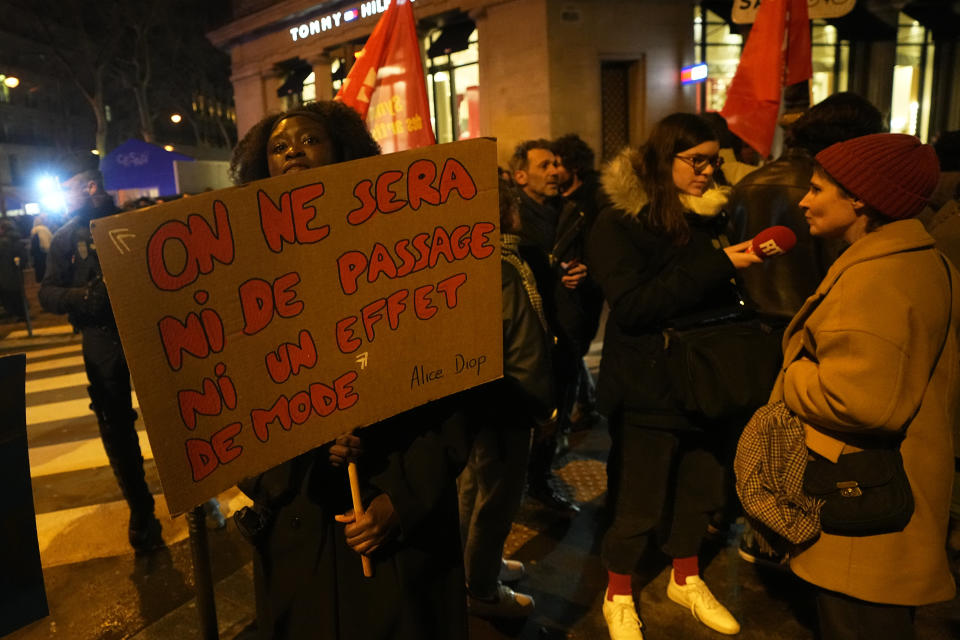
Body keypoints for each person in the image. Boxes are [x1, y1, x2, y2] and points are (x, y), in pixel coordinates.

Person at [229, 100, 472, 640]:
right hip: (302, 524)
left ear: (344, 151)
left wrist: (402, 502)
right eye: (278, 146)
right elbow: (234, 415)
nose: (293, 150)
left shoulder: (401, 250)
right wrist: (303, 448)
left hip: (391, 520)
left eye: (309, 140)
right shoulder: (243, 276)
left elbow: (451, 400)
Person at [772, 133, 958, 639]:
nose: (804, 200)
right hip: (887, 497)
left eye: (817, 189)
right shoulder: (920, 257)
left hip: (864, 512)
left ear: (859, 197)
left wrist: (794, 374)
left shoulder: (879, 276)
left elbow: (860, 403)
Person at [588, 113, 762, 639]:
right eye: (697, 160)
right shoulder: (619, 222)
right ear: (665, 161)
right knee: (637, 502)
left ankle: (684, 578)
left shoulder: (715, 216)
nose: (709, 171)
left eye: (715, 161)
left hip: (711, 382)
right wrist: (719, 264)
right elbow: (635, 306)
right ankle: (618, 592)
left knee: (701, 489)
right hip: (648, 386)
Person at [38, 164, 165, 553]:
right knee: (115, 427)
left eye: (70, 187)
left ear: (90, 185)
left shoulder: (131, 222)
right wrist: (82, 298)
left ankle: (193, 494)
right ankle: (141, 511)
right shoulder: (64, 238)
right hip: (101, 338)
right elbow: (47, 293)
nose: (66, 196)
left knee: (173, 416)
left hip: (147, 332)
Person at [458, 178, 554, 619]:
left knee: (470, 491)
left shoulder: (464, 260)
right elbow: (526, 346)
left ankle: (473, 569)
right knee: (495, 501)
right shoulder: (505, 265)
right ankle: (481, 589)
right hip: (507, 406)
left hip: (473, 405)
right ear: (507, 213)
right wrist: (541, 409)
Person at [726, 92, 885, 321]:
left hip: (751, 321)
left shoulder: (746, 184)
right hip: (814, 322)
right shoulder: (839, 195)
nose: (806, 201)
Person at [510, 139, 584, 513]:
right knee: (535, 412)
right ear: (520, 175)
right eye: (544, 165)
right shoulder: (512, 218)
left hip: (568, 330)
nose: (556, 171)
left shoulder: (572, 211)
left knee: (561, 405)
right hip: (534, 334)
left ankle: (539, 480)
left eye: (557, 163)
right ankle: (522, 483)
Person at [551, 133, 605, 433]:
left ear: (574, 167)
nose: (553, 171)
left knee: (570, 355)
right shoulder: (558, 200)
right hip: (563, 291)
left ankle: (565, 424)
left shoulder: (594, 201)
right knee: (569, 354)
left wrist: (587, 269)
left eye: (557, 163)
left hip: (582, 294)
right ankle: (586, 404)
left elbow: (603, 248)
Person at [29, 214, 52, 283]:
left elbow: (33, 246)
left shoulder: (35, 231)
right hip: (48, 254)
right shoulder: (46, 230)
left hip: (39, 256)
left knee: (40, 273)